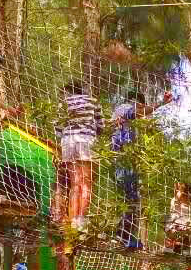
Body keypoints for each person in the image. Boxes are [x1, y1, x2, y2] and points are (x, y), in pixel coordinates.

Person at [111, 87, 173, 249]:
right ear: (135, 102)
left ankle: (125, 235)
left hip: (126, 158)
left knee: (131, 197)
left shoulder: (126, 117)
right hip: (123, 158)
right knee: (129, 197)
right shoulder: (125, 108)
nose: (142, 109)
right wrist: (162, 102)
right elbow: (139, 113)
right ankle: (121, 235)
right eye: (141, 105)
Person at [55, 80, 103, 230]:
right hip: (87, 141)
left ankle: (73, 220)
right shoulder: (93, 101)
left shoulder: (64, 103)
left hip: (69, 142)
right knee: (86, 183)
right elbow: (101, 126)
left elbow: (58, 127)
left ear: (69, 91)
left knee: (75, 183)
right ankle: (81, 220)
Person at [166, 181, 191, 255]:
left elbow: (189, 215)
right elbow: (175, 207)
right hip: (175, 223)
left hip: (185, 224)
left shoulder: (189, 201)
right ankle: (175, 246)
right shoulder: (174, 201)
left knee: (185, 233)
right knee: (175, 232)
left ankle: (184, 248)